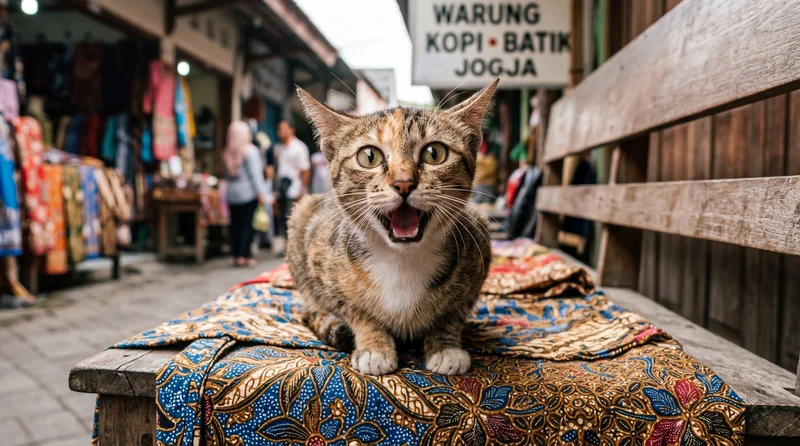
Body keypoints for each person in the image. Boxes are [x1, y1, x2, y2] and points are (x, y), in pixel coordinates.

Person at [223, 121, 268, 267]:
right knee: (247, 225)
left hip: (231, 195)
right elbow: (256, 175)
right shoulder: (250, 150)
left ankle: (237, 256)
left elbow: (226, 175)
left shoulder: (227, 152)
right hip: (248, 194)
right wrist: (261, 193)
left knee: (235, 225)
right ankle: (246, 256)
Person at [273, 120, 310, 255]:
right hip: (282, 188)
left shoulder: (299, 147)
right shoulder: (279, 148)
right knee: (283, 218)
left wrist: (302, 189)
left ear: (291, 130)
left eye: (283, 129)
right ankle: (287, 246)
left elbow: (305, 170)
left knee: (293, 218)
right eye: (279, 129)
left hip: (294, 188)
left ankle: (294, 248)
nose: (280, 132)